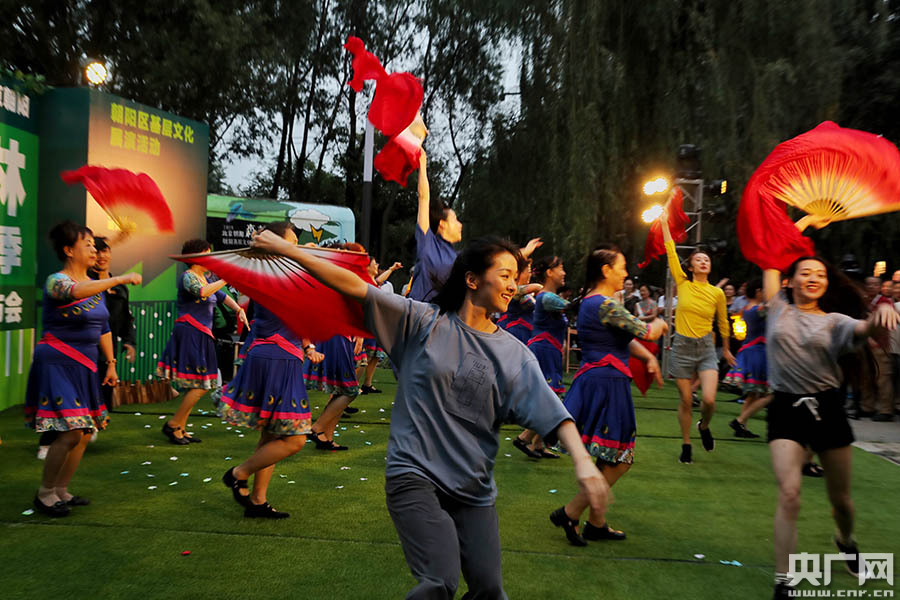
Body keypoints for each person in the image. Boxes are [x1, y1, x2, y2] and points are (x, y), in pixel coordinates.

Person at [251, 231, 609, 599]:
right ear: (472, 279)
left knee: (490, 591)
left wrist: (583, 464)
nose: (512, 285)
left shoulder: (515, 355)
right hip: (414, 475)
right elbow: (354, 287)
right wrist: (285, 248)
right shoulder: (422, 322)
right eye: (504, 275)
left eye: (514, 277)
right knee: (439, 581)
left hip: (474, 489)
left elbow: (555, 414)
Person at [764, 256, 897, 600]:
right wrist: (802, 224)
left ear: (826, 283)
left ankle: (846, 540)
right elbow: (769, 251)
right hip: (785, 408)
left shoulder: (836, 321)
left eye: (820, 274)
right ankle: (784, 581)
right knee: (790, 493)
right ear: (789, 281)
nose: (813, 278)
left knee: (841, 501)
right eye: (805, 272)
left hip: (827, 409)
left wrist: (876, 319)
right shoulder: (777, 306)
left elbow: (864, 330)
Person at [552, 245, 667, 545]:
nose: (626, 273)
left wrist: (647, 358)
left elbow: (624, 338)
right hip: (607, 382)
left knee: (608, 456)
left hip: (598, 378)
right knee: (621, 457)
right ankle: (571, 511)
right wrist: (663, 322)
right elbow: (645, 331)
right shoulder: (605, 304)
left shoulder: (595, 303)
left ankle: (596, 523)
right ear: (606, 270)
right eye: (622, 266)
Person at [25, 221, 142, 516]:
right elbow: (77, 291)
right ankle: (45, 493)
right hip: (58, 361)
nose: (94, 250)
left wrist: (111, 364)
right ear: (68, 250)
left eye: (94, 244)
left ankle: (61, 490)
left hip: (87, 363)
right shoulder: (57, 281)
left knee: (85, 432)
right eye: (87, 244)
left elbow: (103, 327)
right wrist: (119, 279)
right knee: (71, 431)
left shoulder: (95, 285)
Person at [218, 222, 323, 518]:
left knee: (272, 435)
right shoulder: (280, 275)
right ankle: (239, 473)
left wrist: (307, 347)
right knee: (296, 438)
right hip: (278, 359)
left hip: (272, 354)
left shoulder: (268, 274)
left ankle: (258, 501)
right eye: (290, 242)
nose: (295, 247)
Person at [660, 209, 735, 464]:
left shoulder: (717, 294)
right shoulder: (683, 283)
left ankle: (704, 426)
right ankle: (686, 444)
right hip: (681, 346)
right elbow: (671, 250)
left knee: (710, 400)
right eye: (698, 259)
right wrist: (663, 223)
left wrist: (725, 349)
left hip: (705, 349)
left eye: (707, 260)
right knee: (684, 399)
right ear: (691, 266)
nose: (704, 262)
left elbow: (723, 322)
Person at [157, 239, 248, 445]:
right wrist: (226, 277)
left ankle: (180, 426)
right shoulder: (188, 277)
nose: (212, 258)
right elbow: (202, 292)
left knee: (199, 383)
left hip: (202, 334)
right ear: (196, 257)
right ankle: (173, 425)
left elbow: (222, 296)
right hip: (190, 332)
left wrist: (239, 310)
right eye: (208, 254)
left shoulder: (205, 278)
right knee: (200, 384)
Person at [407, 151, 462, 302]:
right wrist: (422, 163)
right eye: (456, 220)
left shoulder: (457, 256)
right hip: (418, 318)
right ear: (442, 224)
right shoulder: (427, 243)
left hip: (442, 321)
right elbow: (424, 198)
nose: (460, 225)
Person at [723, 279, 770, 439]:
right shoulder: (759, 309)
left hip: (751, 351)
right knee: (769, 393)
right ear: (758, 291)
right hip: (758, 352)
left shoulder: (746, 309)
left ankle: (741, 425)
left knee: (753, 394)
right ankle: (740, 420)